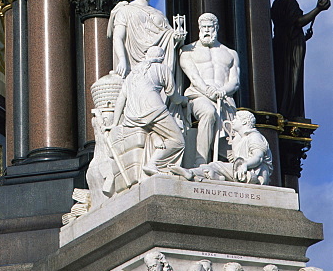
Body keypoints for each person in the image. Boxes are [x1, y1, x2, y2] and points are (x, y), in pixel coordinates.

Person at [112, 46, 185, 175]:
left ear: (147, 57)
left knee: (153, 127)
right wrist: (185, 100)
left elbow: (120, 100)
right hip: (154, 111)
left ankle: (154, 135)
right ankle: (153, 163)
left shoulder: (132, 74)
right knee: (178, 141)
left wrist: (114, 123)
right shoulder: (162, 68)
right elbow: (174, 97)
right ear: (162, 58)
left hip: (132, 116)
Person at [179, 14, 240, 164]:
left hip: (224, 98)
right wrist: (208, 91)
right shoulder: (187, 51)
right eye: (203, 27)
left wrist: (223, 91)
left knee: (238, 128)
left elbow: (235, 81)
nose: (207, 30)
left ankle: (228, 163)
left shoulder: (230, 53)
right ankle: (200, 161)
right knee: (209, 112)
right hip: (198, 95)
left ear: (216, 28)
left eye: (210, 27)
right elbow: (193, 77)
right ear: (199, 28)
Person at [270, 0, 330, 121]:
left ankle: (288, 110)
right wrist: (318, 9)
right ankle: (288, 112)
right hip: (290, 47)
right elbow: (298, 22)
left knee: (289, 78)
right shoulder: (287, 1)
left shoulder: (280, 1)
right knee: (292, 79)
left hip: (287, 43)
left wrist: (303, 38)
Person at [109, 0, 185, 78]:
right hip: (133, 62)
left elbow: (168, 37)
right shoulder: (125, 10)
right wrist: (122, 59)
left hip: (157, 61)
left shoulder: (159, 14)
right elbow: (118, 37)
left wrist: (176, 37)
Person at [170, 110, 272, 186]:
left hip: (255, 173)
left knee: (216, 165)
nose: (233, 121)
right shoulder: (240, 139)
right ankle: (215, 177)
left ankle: (192, 173)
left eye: (236, 118)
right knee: (214, 166)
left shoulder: (254, 136)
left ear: (244, 122)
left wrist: (245, 164)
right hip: (243, 171)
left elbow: (258, 157)